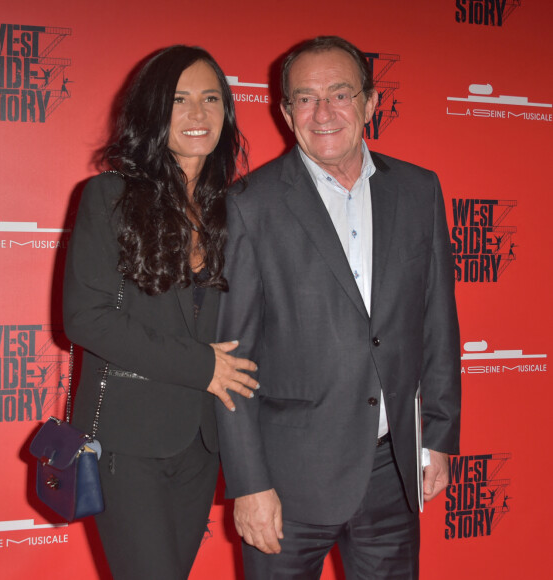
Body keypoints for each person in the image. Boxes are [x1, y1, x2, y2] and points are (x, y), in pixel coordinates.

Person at [216, 36, 461, 579]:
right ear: (285, 112)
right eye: (305, 98)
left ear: (371, 103)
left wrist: (438, 437)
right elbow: (231, 361)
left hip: (391, 473)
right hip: (286, 482)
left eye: (340, 93)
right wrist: (250, 483)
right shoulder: (250, 204)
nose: (323, 111)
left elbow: (438, 323)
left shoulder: (420, 190)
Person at [63, 45, 258, 580]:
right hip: (129, 440)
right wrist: (203, 367)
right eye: (179, 100)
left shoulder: (236, 208)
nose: (198, 114)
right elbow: (88, 318)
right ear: (152, 110)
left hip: (201, 441)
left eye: (211, 99)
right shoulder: (109, 196)